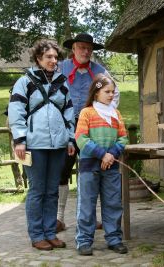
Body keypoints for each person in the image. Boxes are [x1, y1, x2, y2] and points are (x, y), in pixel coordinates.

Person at [8, 39, 75, 250]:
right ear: (39, 58)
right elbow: (16, 112)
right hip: (34, 145)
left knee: (52, 190)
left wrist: (70, 138)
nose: (53, 60)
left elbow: (69, 113)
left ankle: (50, 232)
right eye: (49, 57)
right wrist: (19, 140)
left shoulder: (63, 83)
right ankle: (37, 235)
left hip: (57, 145)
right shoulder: (24, 82)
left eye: (56, 57)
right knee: (37, 190)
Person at [56, 33, 120, 232]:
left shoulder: (100, 72)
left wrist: (104, 114)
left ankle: (92, 218)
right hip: (66, 126)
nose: (85, 51)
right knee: (62, 171)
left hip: (93, 128)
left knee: (94, 170)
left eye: (88, 48)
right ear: (73, 49)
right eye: (81, 47)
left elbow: (114, 93)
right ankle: (58, 218)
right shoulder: (60, 68)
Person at [74, 73, 128, 256]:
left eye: (113, 92)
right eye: (107, 91)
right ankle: (84, 241)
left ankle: (114, 239)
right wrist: (101, 154)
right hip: (90, 166)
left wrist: (111, 154)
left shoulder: (116, 114)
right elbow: (81, 138)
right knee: (87, 204)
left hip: (110, 166)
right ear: (96, 93)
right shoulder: (87, 112)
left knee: (113, 202)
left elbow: (123, 137)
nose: (111, 95)